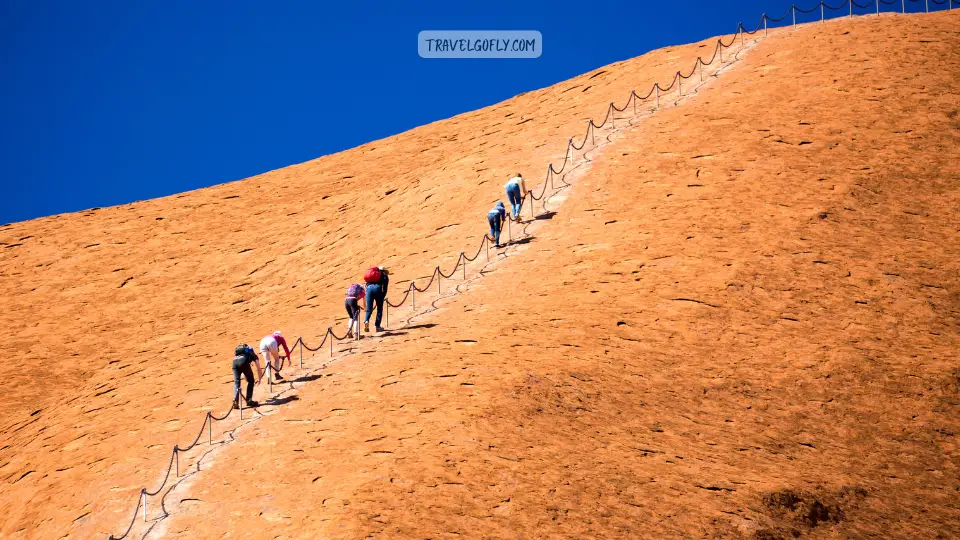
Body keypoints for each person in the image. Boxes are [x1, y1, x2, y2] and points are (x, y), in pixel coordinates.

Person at [232, 343, 263, 409]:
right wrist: (260, 379)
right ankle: (249, 400)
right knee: (251, 381)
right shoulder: (253, 354)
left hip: (234, 362)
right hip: (243, 362)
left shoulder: (239, 353)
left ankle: (235, 401)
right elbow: (258, 368)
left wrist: (246, 378)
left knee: (236, 383)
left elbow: (243, 372)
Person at [363, 266, 389, 333]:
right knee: (379, 308)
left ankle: (366, 320)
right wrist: (382, 296)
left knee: (369, 308)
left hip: (369, 289)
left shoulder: (372, 275)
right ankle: (377, 326)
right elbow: (385, 288)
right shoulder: (384, 276)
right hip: (377, 289)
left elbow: (366, 283)